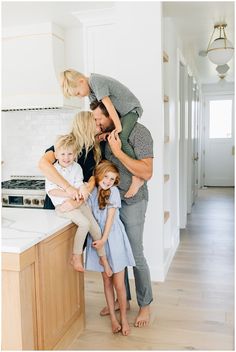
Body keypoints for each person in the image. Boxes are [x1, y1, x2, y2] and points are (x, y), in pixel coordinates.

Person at [90, 100, 154, 328]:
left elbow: (147, 171)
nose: (97, 123)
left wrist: (118, 151)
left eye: (99, 119)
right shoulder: (106, 136)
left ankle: (144, 304)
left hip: (134, 201)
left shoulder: (139, 133)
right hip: (112, 203)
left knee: (135, 254)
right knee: (116, 254)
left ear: (112, 114)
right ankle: (122, 300)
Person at [60, 69, 144, 199]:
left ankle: (137, 177)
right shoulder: (91, 94)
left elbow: (109, 107)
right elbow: (98, 112)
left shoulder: (95, 81)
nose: (79, 96)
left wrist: (117, 127)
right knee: (112, 136)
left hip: (130, 110)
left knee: (121, 137)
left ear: (81, 81)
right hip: (122, 113)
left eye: (78, 93)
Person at [45, 133, 112, 276]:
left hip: (78, 203)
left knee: (95, 228)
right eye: (62, 154)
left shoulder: (76, 168)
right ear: (56, 154)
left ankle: (103, 258)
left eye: (70, 154)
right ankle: (76, 256)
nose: (66, 157)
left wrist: (82, 189)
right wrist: (70, 193)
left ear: (75, 154)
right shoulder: (53, 170)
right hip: (63, 206)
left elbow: (79, 184)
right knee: (84, 224)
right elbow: (52, 191)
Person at [86, 160, 135, 336]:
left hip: (112, 237)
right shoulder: (91, 192)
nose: (108, 181)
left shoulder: (113, 192)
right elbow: (91, 219)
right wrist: (98, 241)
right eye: (106, 176)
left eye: (112, 179)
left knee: (119, 284)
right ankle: (113, 319)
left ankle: (123, 318)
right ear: (99, 174)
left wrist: (104, 239)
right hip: (97, 237)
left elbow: (110, 219)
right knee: (106, 280)